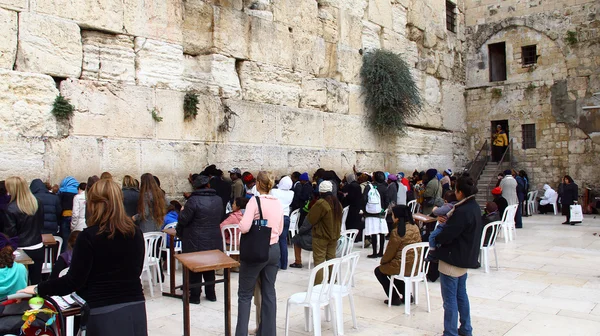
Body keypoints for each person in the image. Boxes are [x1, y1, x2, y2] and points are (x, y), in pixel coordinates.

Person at [19, 179, 147, 336]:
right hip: (136, 305)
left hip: (104, 310)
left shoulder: (89, 237)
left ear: (94, 204)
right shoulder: (135, 233)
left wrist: (39, 288)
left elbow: (73, 281)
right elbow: (136, 270)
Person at [236, 171, 283, 336]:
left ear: (257, 183)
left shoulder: (254, 202)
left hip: (256, 250)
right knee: (269, 292)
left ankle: (240, 332)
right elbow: (281, 227)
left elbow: (244, 227)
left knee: (245, 294)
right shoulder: (278, 202)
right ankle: (268, 332)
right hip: (274, 249)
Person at [434, 176, 482, 336]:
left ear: (460, 192)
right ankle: (466, 329)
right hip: (465, 257)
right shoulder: (474, 206)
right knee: (461, 295)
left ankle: (450, 332)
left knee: (450, 300)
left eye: (456, 190)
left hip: (452, 259)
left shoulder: (462, 211)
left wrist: (440, 232)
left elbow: (448, 235)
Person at [176, 175, 223, 303]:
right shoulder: (218, 200)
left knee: (195, 267)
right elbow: (220, 217)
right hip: (213, 238)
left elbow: (183, 219)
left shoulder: (193, 201)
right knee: (209, 267)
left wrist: (181, 211)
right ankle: (211, 294)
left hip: (195, 239)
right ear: (208, 185)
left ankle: (195, 296)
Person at [373, 205, 421, 306]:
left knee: (380, 270)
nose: (391, 217)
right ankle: (407, 295)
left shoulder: (397, 232)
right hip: (416, 265)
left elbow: (389, 253)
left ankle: (394, 298)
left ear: (397, 217)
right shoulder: (415, 227)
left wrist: (383, 261)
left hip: (403, 266)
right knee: (393, 267)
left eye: (393, 215)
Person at [3, 176, 44, 285]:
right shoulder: (37, 203)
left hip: (20, 249)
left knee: (20, 284)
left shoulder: (10, 208)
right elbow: (41, 223)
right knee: (36, 282)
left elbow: (10, 233)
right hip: (38, 246)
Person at [307, 180, 342, 284]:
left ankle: (317, 285)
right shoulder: (337, 202)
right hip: (334, 236)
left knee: (319, 261)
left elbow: (311, 219)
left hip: (321, 236)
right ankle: (332, 281)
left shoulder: (321, 203)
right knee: (331, 259)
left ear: (320, 191)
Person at [425, 191, 458, 262]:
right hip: (447, 227)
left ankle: (432, 253)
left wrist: (434, 209)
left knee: (432, 237)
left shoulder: (449, 206)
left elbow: (437, 212)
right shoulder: (457, 206)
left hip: (443, 227)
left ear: (445, 200)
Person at [364, 172, 389, 258]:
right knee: (381, 233)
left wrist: (365, 210)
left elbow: (364, 199)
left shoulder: (368, 187)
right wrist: (383, 209)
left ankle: (374, 252)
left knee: (373, 232)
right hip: (380, 212)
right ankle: (381, 251)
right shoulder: (385, 187)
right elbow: (387, 201)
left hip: (370, 212)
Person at [271, 176, 294, 270]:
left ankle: (277, 263)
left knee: (276, 240)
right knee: (283, 241)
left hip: (277, 217)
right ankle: (284, 264)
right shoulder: (292, 193)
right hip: (286, 217)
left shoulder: (275, 192)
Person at [58, 176, 79, 251]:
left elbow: (59, 206)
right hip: (75, 219)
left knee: (65, 239)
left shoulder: (62, 192)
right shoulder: (77, 193)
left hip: (65, 217)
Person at [341, 173, 363, 240]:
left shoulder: (350, 186)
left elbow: (350, 197)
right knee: (356, 223)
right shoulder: (358, 185)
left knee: (350, 223)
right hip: (357, 206)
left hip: (351, 208)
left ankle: (350, 237)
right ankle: (357, 237)